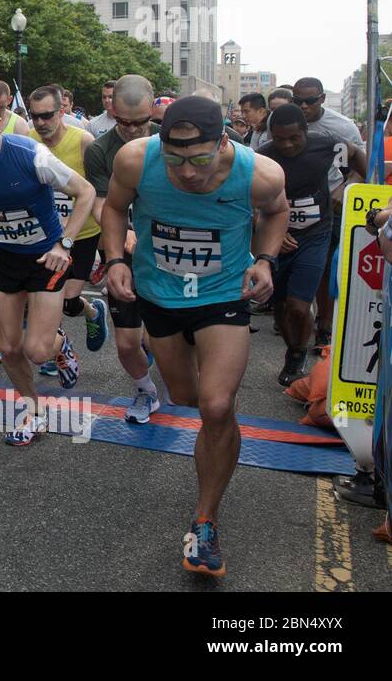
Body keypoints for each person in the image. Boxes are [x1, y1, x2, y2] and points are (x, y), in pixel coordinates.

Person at [102, 96, 287, 577]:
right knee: (185, 397)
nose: (187, 172)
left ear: (224, 141)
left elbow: (277, 212)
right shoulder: (136, 160)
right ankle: (200, 408)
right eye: (176, 158)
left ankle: (205, 521)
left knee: (217, 405)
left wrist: (265, 260)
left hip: (222, 295)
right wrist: (117, 260)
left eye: (200, 158)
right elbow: (114, 209)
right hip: (160, 294)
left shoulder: (259, 173)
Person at [0, 90, 97, 444]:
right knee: (9, 348)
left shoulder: (30, 155)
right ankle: (34, 413)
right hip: (3, 257)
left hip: (46, 257)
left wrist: (65, 244)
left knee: (37, 350)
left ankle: (59, 346)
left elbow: (85, 192)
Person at [258, 103, 364, 386]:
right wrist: (270, 230)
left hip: (316, 234)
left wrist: (347, 184)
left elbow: (359, 161)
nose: (287, 144)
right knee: (278, 307)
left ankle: (297, 354)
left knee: (298, 306)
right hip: (277, 237)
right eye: (280, 139)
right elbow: (249, 203)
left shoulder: (328, 145)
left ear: (306, 131)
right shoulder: (262, 157)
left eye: (294, 138)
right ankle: (292, 347)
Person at [83, 74, 164, 423]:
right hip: (123, 251)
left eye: (140, 122)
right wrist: (124, 235)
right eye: (122, 121)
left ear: (154, 108)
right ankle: (146, 391)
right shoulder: (101, 150)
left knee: (166, 341)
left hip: (169, 255)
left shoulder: (171, 143)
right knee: (128, 343)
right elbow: (102, 203)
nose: (131, 129)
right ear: (112, 108)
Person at [25, 87, 109, 360]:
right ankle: (56, 350)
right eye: (34, 116)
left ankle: (93, 311)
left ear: (62, 111)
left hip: (82, 234)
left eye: (46, 116)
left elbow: (97, 188)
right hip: (46, 236)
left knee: (69, 302)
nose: (40, 123)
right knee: (51, 296)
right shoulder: (29, 140)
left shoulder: (83, 140)